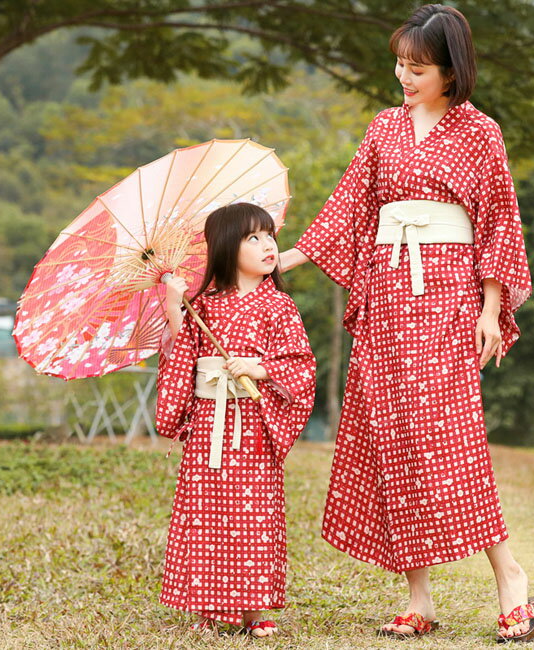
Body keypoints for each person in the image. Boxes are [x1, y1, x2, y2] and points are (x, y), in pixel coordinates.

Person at [280, 4, 534, 644]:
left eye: (418, 67)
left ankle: (509, 577)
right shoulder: (382, 128)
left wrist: (490, 310)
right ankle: (419, 597)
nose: (404, 75)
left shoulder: (480, 132)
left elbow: (499, 224)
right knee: (392, 439)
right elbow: (347, 206)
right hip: (386, 298)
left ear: (451, 71)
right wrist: (280, 258)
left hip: (449, 295)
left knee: (449, 440)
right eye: (400, 64)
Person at [156, 202, 316, 637]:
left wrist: (260, 368)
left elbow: (301, 365)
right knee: (206, 510)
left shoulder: (279, 305)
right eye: (253, 238)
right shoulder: (203, 304)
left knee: (254, 513)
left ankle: (254, 607)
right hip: (210, 420)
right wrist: (175, 305)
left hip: (254, 426)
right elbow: (182, 353)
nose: (269, 245)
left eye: (269, 236)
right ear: (227, 247)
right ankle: (208, 605)